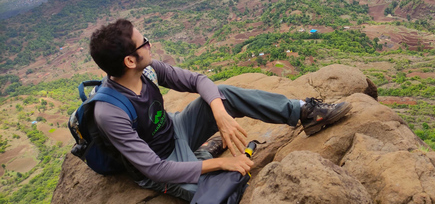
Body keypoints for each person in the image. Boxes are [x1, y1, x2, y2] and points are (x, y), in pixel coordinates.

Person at [89, 19, 352, 201]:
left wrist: (220, 115)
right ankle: (202, 157)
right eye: (143, 42)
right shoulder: (110, 112)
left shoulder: (148, 70)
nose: (149, 44)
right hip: (163, 161)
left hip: (176, 128)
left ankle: (304, 112)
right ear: (129, 60)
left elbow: (198, 81)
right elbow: (155, 169)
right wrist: (222, 162)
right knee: (223, 190)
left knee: (222, 94)